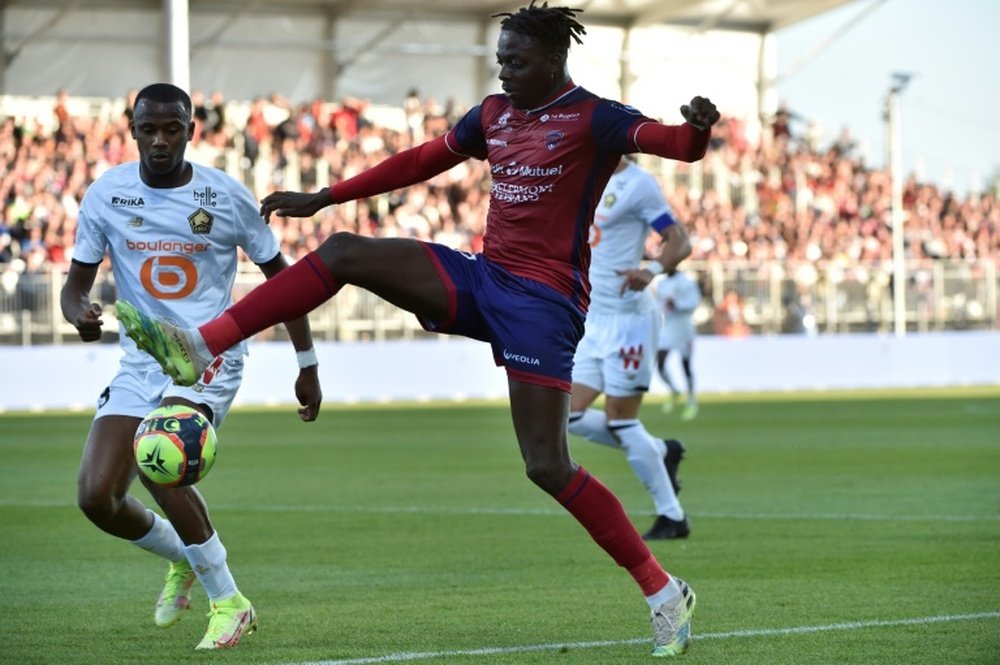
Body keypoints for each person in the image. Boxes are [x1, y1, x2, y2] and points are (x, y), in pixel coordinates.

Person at [117, 3, 719, 657]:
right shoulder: (494, 114)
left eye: (516, 60)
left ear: (553, 60)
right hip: (485, 279)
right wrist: (325, 197)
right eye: (500, 59)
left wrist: (696, 128)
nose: (504, 70)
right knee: (344, 250)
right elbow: (419, 161)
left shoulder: (595, 117)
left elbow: (675, 146)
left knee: (547, 464)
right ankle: (200, 343)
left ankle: (664, 592)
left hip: (544, 306)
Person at [60, 83, 323, 651]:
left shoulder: (224, 196)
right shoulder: (106, 195)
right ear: (132, 130)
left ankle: (230, 602)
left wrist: (307, 363)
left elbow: (289, 282)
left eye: (171, 128)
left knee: (162, 453)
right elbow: (73, 287)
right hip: (142, 360)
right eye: (149, 129)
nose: (160, 140)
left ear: (190, 130)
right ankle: (185, 557)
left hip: (211, 355)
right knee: (96, 498)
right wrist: (79, 313)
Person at [568, 156, 690, 541]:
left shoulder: (638, 185)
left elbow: (679, 240)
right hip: (592, 318)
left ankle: (672, 517)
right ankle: (658, 450)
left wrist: (650, 270)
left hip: (630, 319)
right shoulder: (578, 176)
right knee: (563, 415)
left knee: (621, 418)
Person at [655, 268, 702, 420]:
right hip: (668, 328)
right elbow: (659, 304)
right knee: (660, 362)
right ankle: (674, 390)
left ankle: (691, 400)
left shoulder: (687, 282)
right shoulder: (662, 282)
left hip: (684, 328)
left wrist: (677, 304)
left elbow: (694, 302)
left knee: (686, 364)